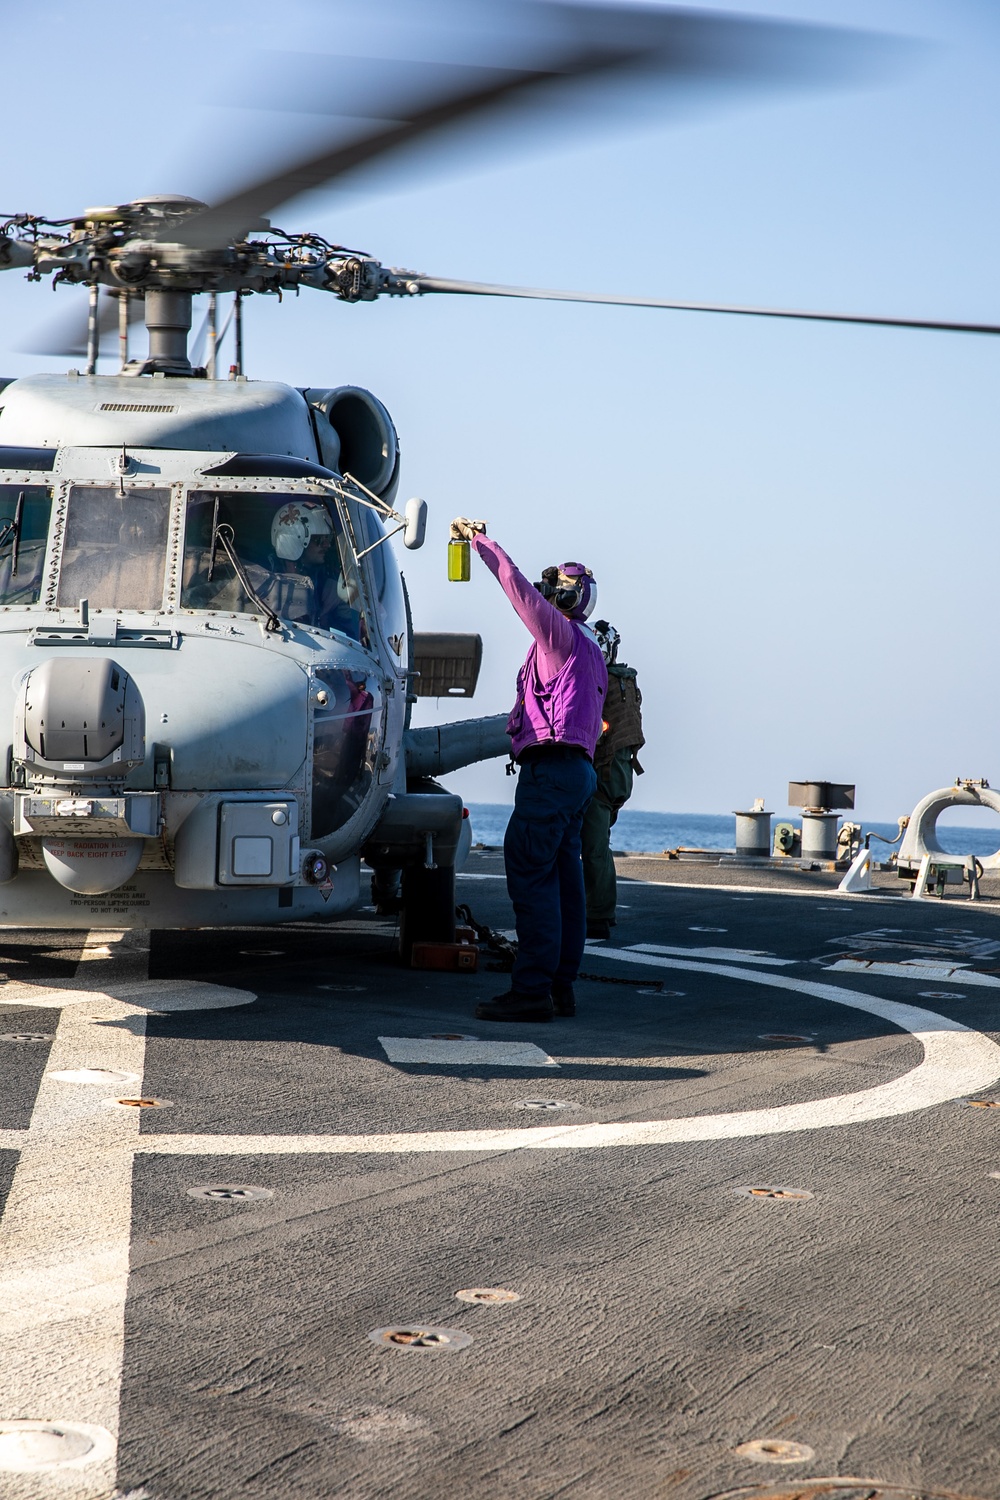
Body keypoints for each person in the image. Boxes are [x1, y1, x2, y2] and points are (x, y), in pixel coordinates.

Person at [451, 518, 608, 1023]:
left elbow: (516, 589)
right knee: (565, 883)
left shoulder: (559, 637)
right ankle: (560, 986)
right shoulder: (590, 647)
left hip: (551, 773)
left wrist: (480, 542)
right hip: (578, 774)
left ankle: (532, 991)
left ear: (563, 599)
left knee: (531, 877)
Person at [581, 621, 645, 940]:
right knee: (596, 845)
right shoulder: (626, 684)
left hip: (602, 777)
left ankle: (598, 915)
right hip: (618, 777)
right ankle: (594, 911)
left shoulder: (603, 683)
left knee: (593, 848)